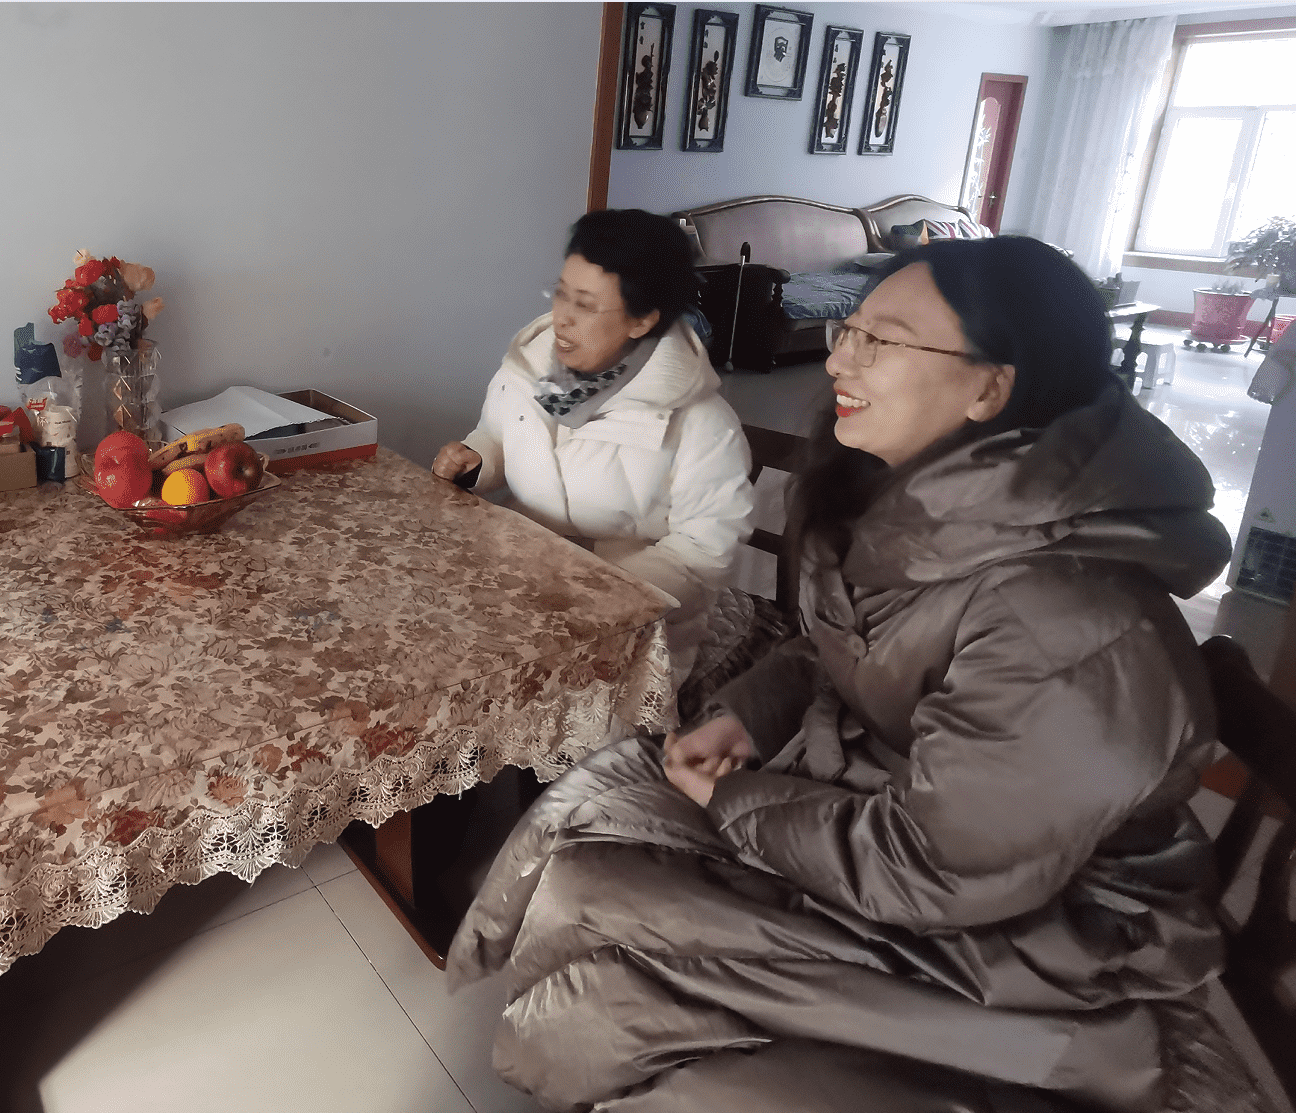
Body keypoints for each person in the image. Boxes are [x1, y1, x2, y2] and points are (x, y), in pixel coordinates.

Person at [446, 236, 1269, 1112]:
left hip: (1037, 933)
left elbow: (937, 866)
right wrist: (747, 714)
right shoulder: (905, 496)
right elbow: (847, 646)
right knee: (592, 863)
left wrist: (732, 799)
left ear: (990, 386)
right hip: (910, 828)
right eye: (849, 330)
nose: (839, 358)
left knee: (612, 943)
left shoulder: (1069, 621)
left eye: (882, 340)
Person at [432, 208, 753, 689]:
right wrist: (477, 461)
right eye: (561, 293)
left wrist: (595, 590)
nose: (562, 317)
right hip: (526, 586)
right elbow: (497, 434)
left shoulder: (702, 424)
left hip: (633, 629)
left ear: (642, 320)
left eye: (585, 304)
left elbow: (704, 551)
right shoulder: (531, 372)